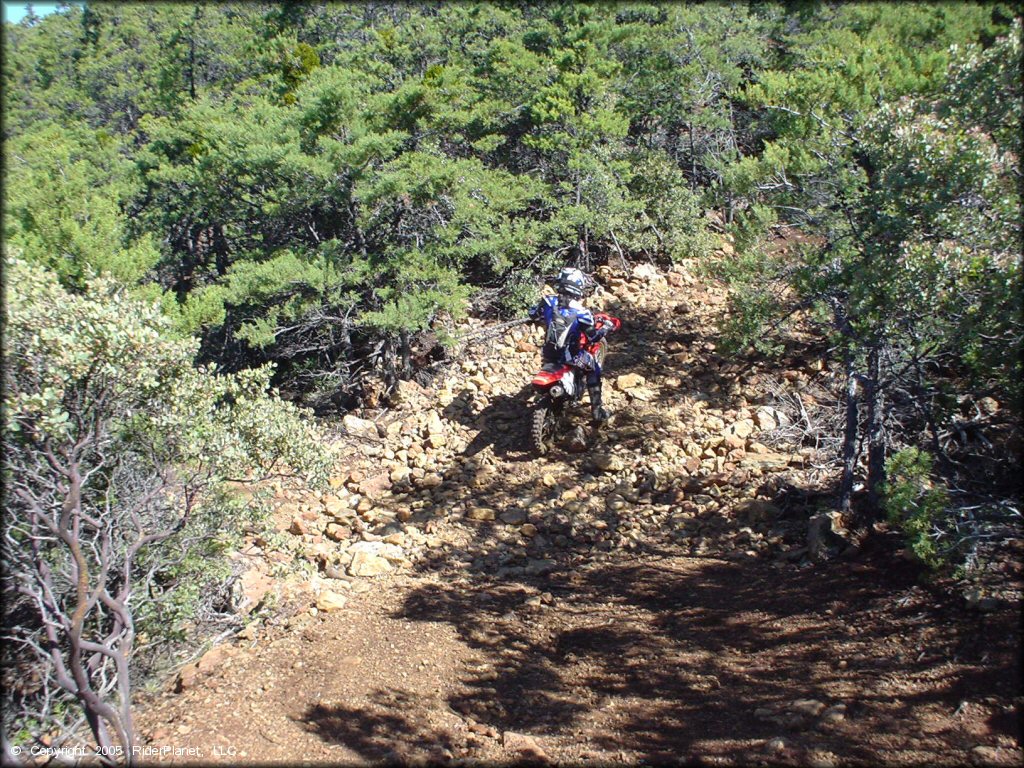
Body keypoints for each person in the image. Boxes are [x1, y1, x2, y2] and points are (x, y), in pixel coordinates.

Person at [528, 267, 610, 423]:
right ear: (578, 286)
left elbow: (533, 314)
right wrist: (604, 329)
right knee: (593, 368)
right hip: (572, 357)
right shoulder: (582, 312)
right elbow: (592, 337)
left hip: (548, 355)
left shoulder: (547, 301)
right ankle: (598, 412)